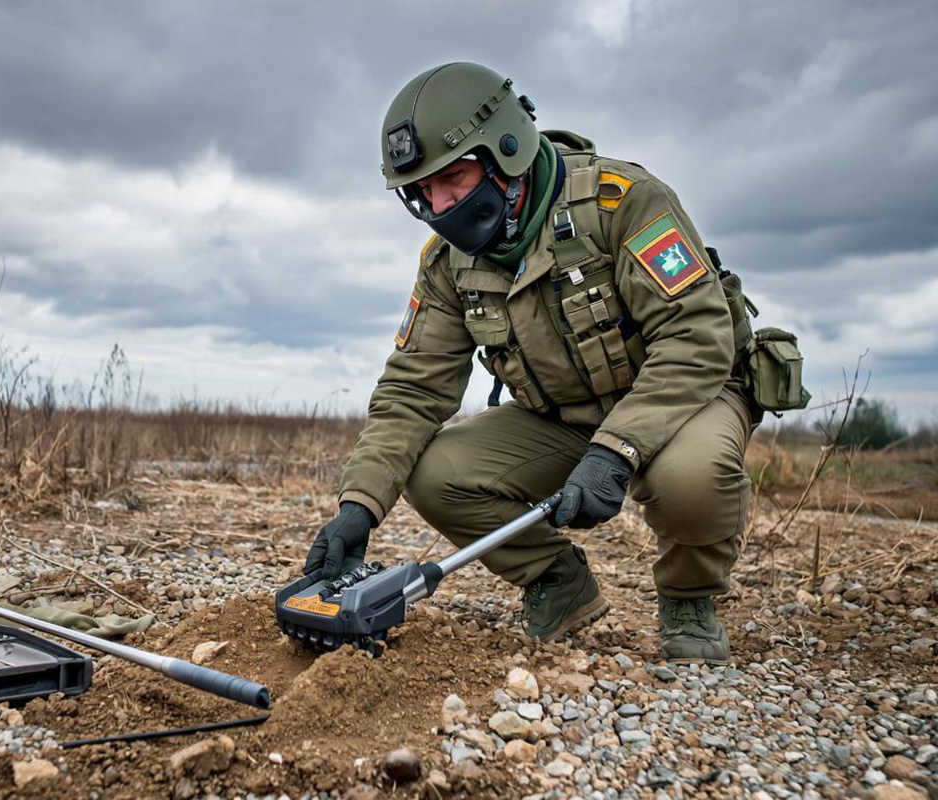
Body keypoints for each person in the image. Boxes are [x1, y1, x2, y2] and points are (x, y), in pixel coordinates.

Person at [304, 62, 770, 666]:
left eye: (454, 178)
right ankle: (557, 580)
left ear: (506, 151)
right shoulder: (448, 262)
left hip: (684, 400)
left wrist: (618, 450)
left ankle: (688, 598)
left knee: (690, 476)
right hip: (564, 418)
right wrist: (357, 508)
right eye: (420, 191)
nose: (438, 204)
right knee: (435, 471)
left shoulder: (621, 204)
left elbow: (697, 336)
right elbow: (414, 388)